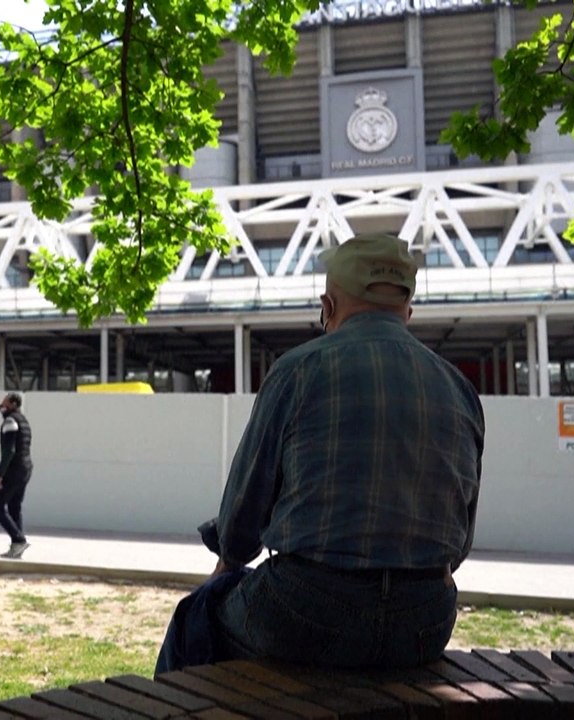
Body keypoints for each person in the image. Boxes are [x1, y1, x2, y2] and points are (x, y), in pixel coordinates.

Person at [156, 233, 485, 673]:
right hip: (425, 622)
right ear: (407, 310)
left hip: (307, 612)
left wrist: (226, 564)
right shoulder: (459, 389)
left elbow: (244, 513)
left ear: (328, 307)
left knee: (194, 618)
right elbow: (458, 545)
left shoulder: (298, 370)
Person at [0, 391, 33, 559]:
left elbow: (9, 451)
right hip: (26, 468)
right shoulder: (24, 421)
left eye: (5, 403)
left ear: (14, 404)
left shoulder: (10, 421)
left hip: (14, 469)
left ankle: (19, 540)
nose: (2, 406)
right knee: (14, 506)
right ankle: (17, 547)